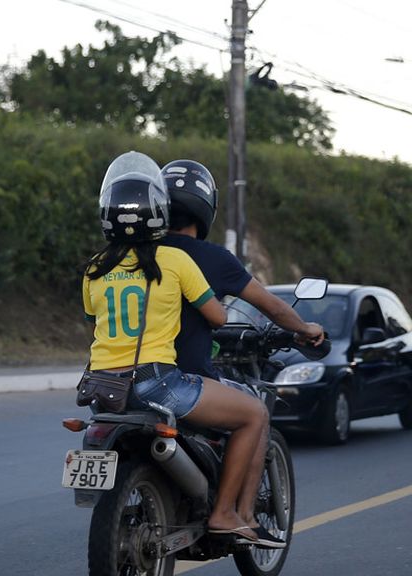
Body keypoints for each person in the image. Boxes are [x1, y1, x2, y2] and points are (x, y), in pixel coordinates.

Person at [82, 151, 273, 547]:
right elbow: (218, 318)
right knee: (254, 413)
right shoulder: (174, 260)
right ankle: (224, 513)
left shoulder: (95, 268)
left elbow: (94, 323)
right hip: (157, 383)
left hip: (101, 390)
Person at [160, 159, 325, 545]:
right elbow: (271, 305)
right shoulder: (211, 258)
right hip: (183, 378)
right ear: (205, 209)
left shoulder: (137, 255)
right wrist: (305, 329)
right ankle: (236, 515)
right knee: (254, 413)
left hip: (118, 376)